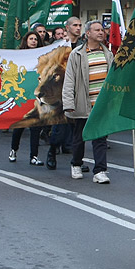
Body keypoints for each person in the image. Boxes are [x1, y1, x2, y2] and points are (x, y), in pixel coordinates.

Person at [62, 19, 112, 182]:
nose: (101, 32)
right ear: (88, 33)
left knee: (100, 138)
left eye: (102, 30)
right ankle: (76, 164)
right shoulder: (77, 54)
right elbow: (69, 80)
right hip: (83, 102)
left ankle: (100, 171)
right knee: (79, 137)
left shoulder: (108, 54)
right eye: (97, 30)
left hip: (101, 103)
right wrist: (68, 103)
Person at [46, 17, 83, 168]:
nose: (78, 28)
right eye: (75, 25)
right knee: (60, 128)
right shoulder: (59, 46)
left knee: (78, 128)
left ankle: (77, 161)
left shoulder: (83, 46)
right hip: (62, 92)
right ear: (67, 28)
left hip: (79, 90)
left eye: (80, 25)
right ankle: (52, 151)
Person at [10, 31, 44, 165]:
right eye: (31, 38)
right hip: (23, 95)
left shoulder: (43, 55)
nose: (34, 41)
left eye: (36, 39)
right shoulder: (19, 56)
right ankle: (13, 149)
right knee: (20, 125)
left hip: (36, 95)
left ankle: (34, 156)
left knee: (35, 126)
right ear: (26, 40)